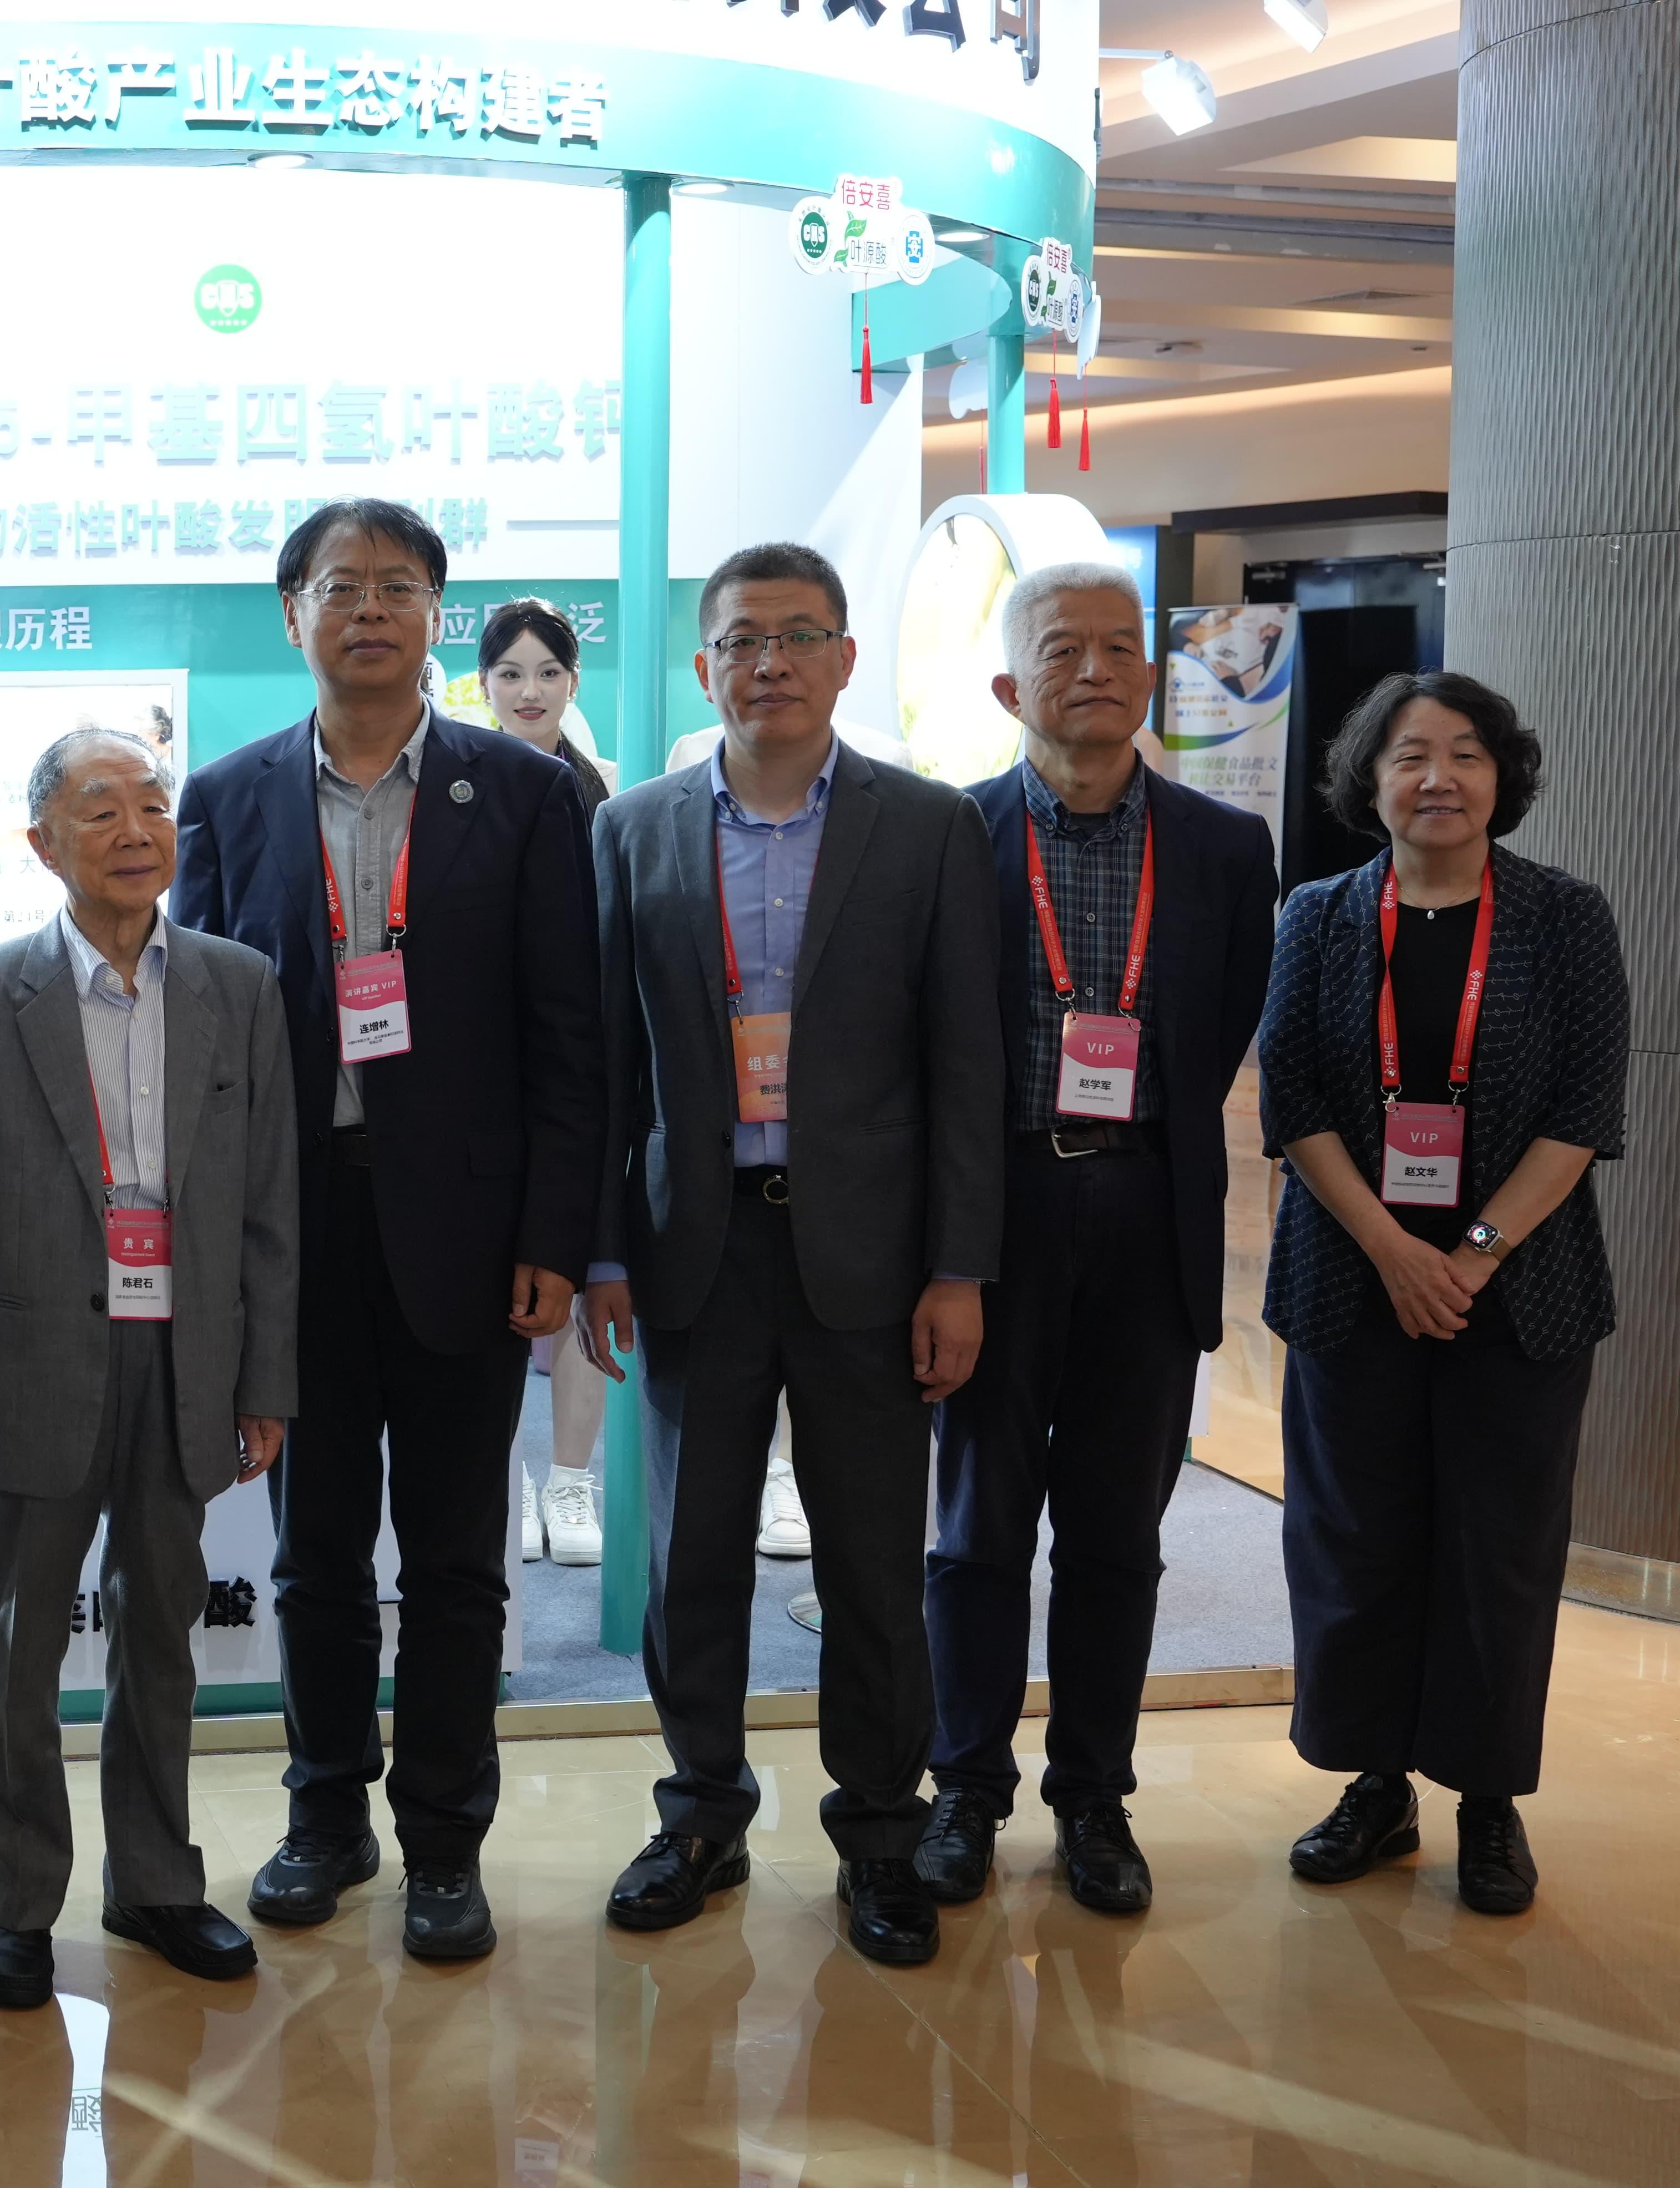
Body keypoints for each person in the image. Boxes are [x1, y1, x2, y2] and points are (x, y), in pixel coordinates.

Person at [166, 499, 605, 1963]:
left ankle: (446, 1841)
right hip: (294, 1235)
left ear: (435, 617)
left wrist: (555, 1232)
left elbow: (569, 1036)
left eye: (399, 586)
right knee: (314, 1555)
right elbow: (201, 1049)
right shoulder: (226, 799)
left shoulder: (525, 795)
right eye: (340, 584)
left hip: (472, 1238)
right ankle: (326, 1817)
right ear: (291, 612)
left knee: (459, 1562)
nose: (369, 608)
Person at [579, 541, 1001, 1969]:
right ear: (706, 665)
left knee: (874, 1561)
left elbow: (966, 1062)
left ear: (844, 659)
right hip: (694, 1250)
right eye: (743, 639)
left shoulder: (927, 827)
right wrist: (601, 1251)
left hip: (873, 1260)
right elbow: (607, 1063)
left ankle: (881, 1831)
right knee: (690, 1556)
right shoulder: (632, 829)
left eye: (800, 635)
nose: (770, 662)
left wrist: (959, 1267)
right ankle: (702, 1812)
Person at [0, 727, 298, 2008]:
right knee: (18, 1648)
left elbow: (269, 1205)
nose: (136, 830)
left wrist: (266, 1378)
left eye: (152, 803)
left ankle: (156, 1882)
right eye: (99, 809)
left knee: (162, 1631)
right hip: (28, 1354)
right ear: (41, 842)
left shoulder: (240, 984)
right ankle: (18, 1901)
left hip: (188, 1353)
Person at [914, 564, 1277, 1915]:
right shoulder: (948, 834)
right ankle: (965, 1785)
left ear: (1153, 676)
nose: (1098, 671)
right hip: (996, 1209)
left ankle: (1093, 1795)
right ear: (1010, 684)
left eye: (1122, 648)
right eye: (1065, 649)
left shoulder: (1225, 847)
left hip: (1146, 1208)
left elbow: (1222, 1025)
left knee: (1119, 1531)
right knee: (976, 1529)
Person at [1256, 671, 1625, 1918]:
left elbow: (1585, 1108)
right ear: (1370, 780)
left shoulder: (1565, 917)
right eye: (1410, 754)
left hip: (1518, 1291)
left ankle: (1486, 1798)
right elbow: (1293, 1096)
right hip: (1350, 1278)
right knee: (1353, 1538)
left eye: (1466, 753)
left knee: (1498, 1549)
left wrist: (1468, 1252)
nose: (1439, 777)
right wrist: (1392, 1250)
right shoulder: (1317, 915)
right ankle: (1374, 1785)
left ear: (1501, 777)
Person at [471, 598, 616, 1567]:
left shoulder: (603, 794)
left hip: (578, 1073)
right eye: (510, 674)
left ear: (572, 682)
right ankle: (513, 1479)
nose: (530, 691)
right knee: (487, 1284)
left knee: (577, 1267)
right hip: (484, 1080)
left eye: (548, 673)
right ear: (483, 685)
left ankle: (570, 1479)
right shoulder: (456, 783)